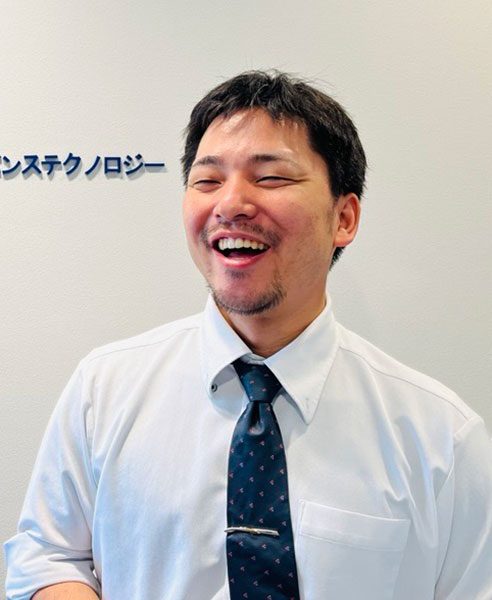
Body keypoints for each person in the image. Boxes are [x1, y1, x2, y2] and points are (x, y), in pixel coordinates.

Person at [4, 70, 492, 600]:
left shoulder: (440, 438)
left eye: (271, 178)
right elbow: (47, 555)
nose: (231, 203)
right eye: (207, 180)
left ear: (344, 218)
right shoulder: (104, 389)